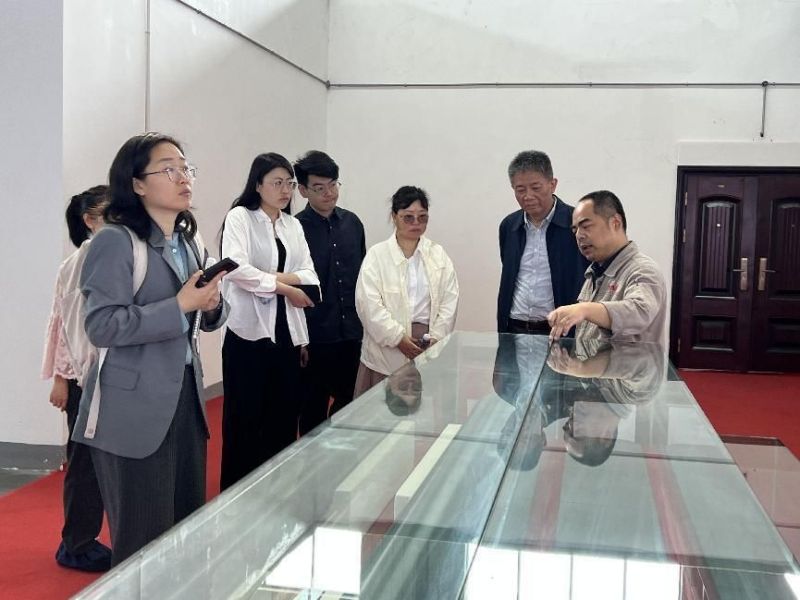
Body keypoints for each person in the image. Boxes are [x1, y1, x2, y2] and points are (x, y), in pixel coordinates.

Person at [73, 132, 227, 567]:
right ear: (137, 183)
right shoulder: (115, 241)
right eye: (169, 169)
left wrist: (212, 306)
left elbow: (202, 316)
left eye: (186, 167)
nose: (183, 177)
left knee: (186, 532)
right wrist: (179, 306)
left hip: (186, 400)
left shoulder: (187, 242)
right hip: (132, 409)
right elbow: (102, 325)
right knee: (142, 545)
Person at [220, 152, 319, 490]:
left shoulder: (293, 225)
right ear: (258, 185)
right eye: (277, 183)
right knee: (244, 421)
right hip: (248, 335)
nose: (285, 190)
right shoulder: (240, 218)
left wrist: (268, 278)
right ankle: (236, 497)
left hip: (288, 333)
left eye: (289, 183)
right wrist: (285, 287)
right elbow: (234, 268)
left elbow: (310, 275)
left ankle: (276, 493)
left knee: (283, 419)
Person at [41, 186, 110, 572]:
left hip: (112, 376)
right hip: (86, 379)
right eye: (109, 213)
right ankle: (77, 544)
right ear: (90, 221)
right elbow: (62, 327)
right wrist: (61, 379)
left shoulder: (119, 256)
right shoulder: (74, 266)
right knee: (85, 464)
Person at [354, 186, 459, 396]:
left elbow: (450, 300)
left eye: (422, 217)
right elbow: (368, 305)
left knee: (424, 407)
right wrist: (398, 339)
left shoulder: (437, 254)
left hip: (427, 345)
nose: (416, 223)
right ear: (394, 216)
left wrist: (436, 339)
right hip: (386, 347)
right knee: (380, 408)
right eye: (408, 217)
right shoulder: (377, 255)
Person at [294, 151, 366, 433]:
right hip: (316, 336)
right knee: (312, 409)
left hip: (352, 333)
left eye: (333, 185)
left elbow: (363, 279)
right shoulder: (295, 229)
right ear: (303, 190)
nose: (329, 193)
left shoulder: (353, 224)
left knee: (351, 404)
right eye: (319, 188)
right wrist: (300, 340)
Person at [547, 190, 668, 343]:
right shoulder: (594, 272)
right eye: (575, 230)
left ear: (615, 223)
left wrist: (584, 309)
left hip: (632, 360)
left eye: (586, 226)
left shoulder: (642, 269)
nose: (579, 235)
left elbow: (640, 312)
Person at [497, 150, 588, 334]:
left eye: (536, 188)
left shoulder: (575, 223)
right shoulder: (509, 226)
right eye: (520, 190)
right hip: (514, 326)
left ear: (552, 184)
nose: (528, 196)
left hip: (561, 328)